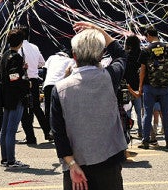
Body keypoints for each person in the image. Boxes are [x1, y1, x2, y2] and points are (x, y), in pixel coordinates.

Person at [50, 22, 129, 190]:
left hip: (76, 166)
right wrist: (98, 29)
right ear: (101, 55)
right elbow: (121, 54)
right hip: (109, 161)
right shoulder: (109, 78)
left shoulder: (60, 89)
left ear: (74, 56)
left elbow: (58, 132)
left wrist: (71, 164)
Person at [138, 25, 168, 149]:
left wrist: (140, 86)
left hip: (150, 85)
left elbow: (143, 70)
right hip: (165, 86)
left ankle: (145, 141)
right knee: (166, 114)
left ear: (149, 35)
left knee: (147, 113)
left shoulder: (146, 50)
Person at [0, 28, 31, 169]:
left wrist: (21, 69)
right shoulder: (16, 57)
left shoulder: (5, 55)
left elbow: (7, 74)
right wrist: (25, 81)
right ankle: (11, 161)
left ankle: (5, 158)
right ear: (21, 42)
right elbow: (13, 76)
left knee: (5, 129)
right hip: (16, 96)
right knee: (11, 129)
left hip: (6, 95)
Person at [18, 27, 51, 144]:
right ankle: (48, 132)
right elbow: (42, 62)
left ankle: (30, 137)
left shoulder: (19, 48)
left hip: (24, 80)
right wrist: (33, 67)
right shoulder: (35, 47)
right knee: (36, 107)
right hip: (35, 79)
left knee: (24, 109)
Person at [43, 49, 75, 137]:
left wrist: (44, 82)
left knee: (47, 108)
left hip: (48, 84)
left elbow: (44, 70)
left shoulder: (51, 57)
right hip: (60, 86)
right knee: (59, 109)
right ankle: (58, 130)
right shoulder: (71, 61)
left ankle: (48, 132)